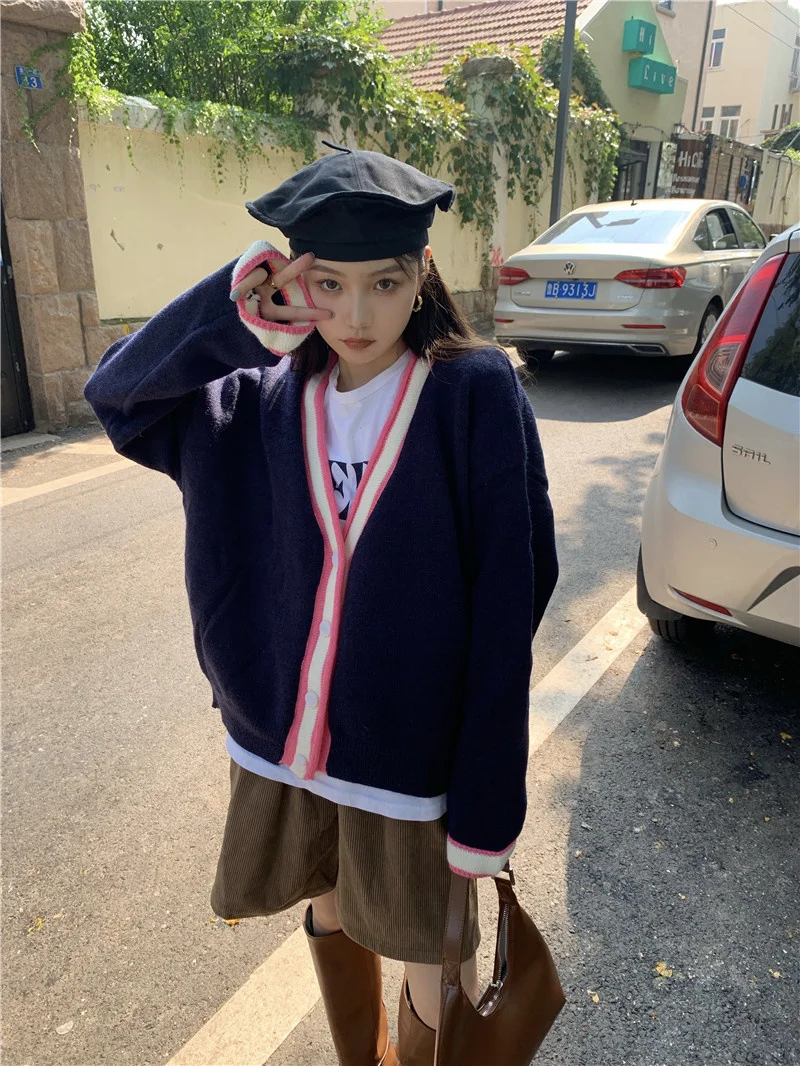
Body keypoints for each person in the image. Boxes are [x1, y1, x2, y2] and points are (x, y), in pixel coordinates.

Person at [84, 142, 558, 1066]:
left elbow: (513, 594)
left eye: (384, 283)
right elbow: (118, 396)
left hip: (409, 759)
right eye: (327, 285)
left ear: (422, 272)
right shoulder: (253, 398)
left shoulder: (473, 392)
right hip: (285, 746)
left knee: (434, 952)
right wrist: (230, 315)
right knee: (329, 904)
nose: (356, 315)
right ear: (292, 281)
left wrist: (486, 797)